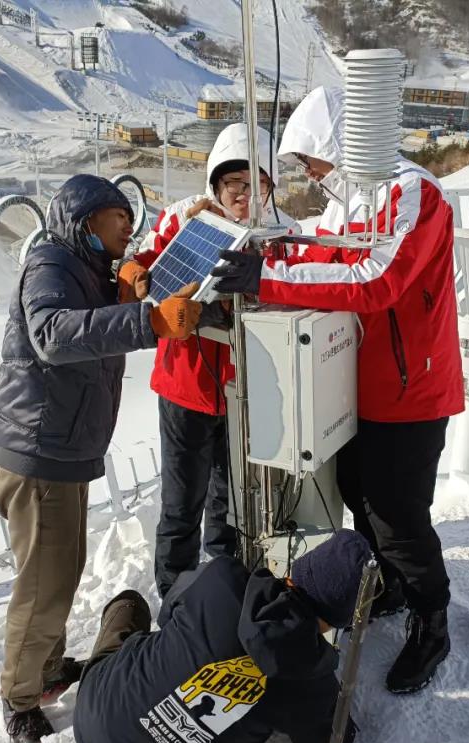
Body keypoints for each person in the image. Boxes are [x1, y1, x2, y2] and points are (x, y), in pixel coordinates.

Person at [212, 88, 464, 695]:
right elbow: (321, 248)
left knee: (399, 515)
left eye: (312, 158)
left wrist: (269, 277)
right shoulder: (349, 201)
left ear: (340, 142)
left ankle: (433, 618)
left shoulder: (411, 193)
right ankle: (396, 589)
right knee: (358, 493)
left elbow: (374, 277)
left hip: (410, 388)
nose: (309, 173)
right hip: (358, 385)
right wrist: (273, 248)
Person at [0, 174, 203, 743]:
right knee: (42, 585)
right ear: (87, 222)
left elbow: (94, 322)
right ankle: (19, 699)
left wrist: (127, 292)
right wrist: (148, 321)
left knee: (59, 572)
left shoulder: (83, 268)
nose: (128, 228)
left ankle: (46, 669)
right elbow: (53, 334)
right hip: (39, 453)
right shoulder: (50, 265)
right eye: (118, 219)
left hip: (59, 448)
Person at [127, 123, 298, 597]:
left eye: (256, 184)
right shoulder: (186, 220)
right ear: (216, 185)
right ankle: (175, 596)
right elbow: (148, 268)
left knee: (227, 496)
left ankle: (220, 587)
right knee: (182, 501)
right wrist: (137, 272)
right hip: (186, 387)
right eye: (233, 184)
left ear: (271, 185)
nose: (244, 196)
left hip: (243, 391)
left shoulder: (282, 234)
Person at [73, 529, 369, 743]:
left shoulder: (221, 577)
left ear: (296, 572)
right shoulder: (311, 680)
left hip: (92, 720)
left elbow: (167, 616)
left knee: (129, 604)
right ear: (333, 623)